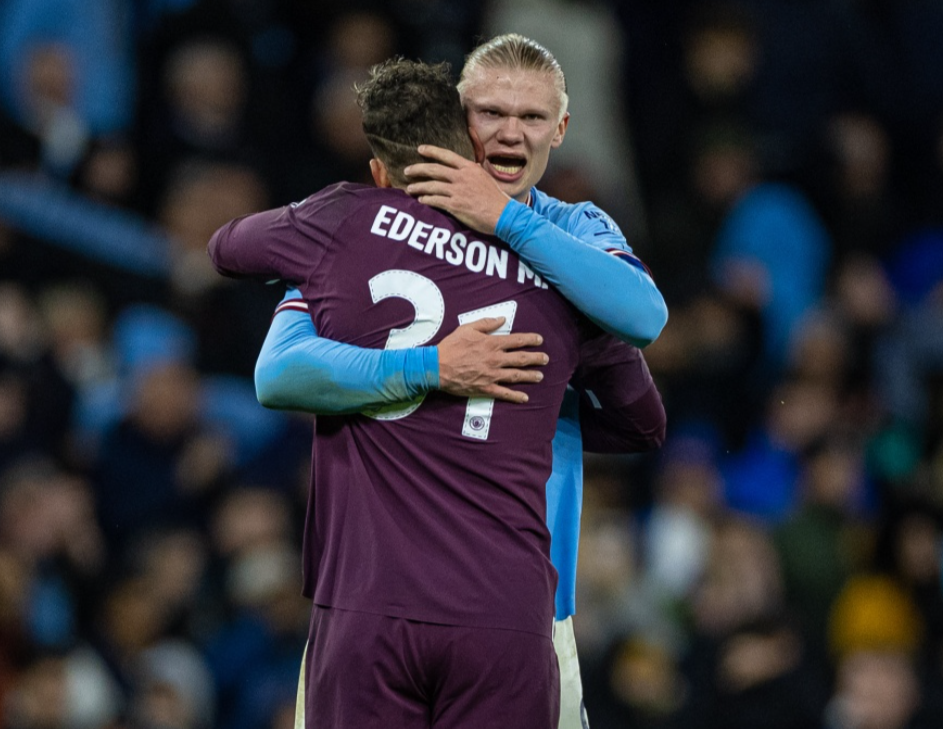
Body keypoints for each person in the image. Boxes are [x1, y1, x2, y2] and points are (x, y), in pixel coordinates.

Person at [209, 57, 664, 729]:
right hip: (478, 606)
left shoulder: (356, 233)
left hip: (516, 608)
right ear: (457, 123)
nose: (510, 133)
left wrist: (508, 225)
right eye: (491, 114)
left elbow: (644, 327)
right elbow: (278, 372)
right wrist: (445, 372)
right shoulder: (555, 286)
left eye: (531, 116)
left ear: (561, 128)